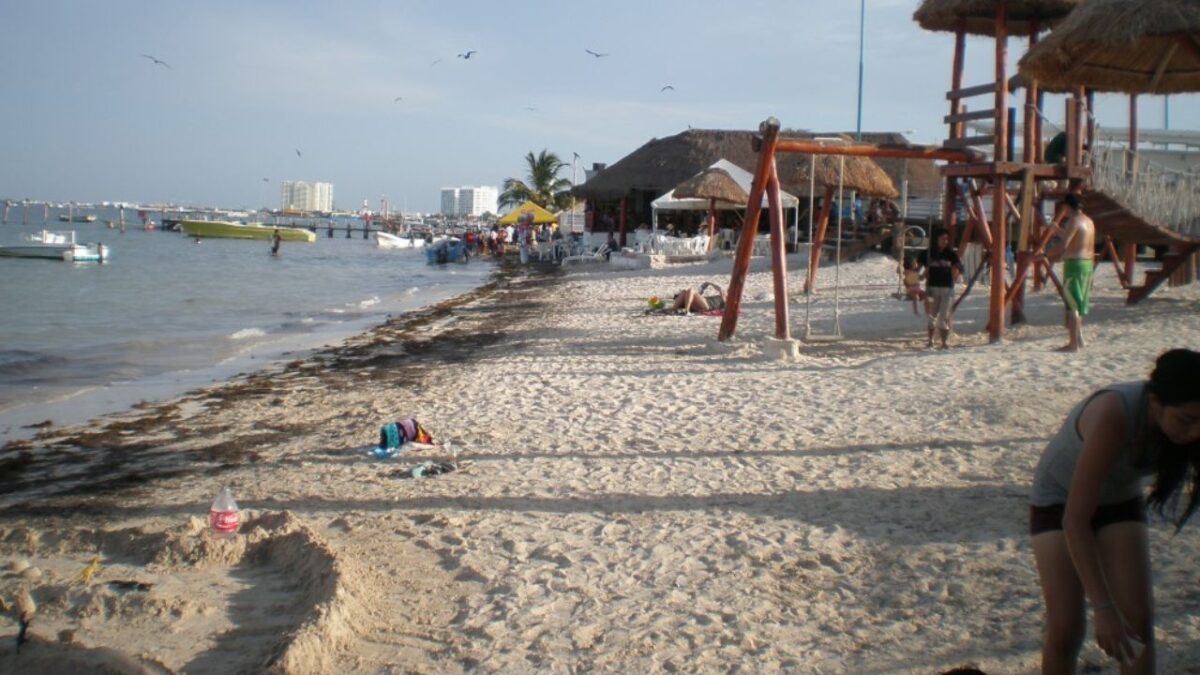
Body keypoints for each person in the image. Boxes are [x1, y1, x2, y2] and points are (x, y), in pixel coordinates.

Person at [1030, 348, 1200, 674]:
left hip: (1120, 498)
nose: (1195, 432)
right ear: (1156, 403)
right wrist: (1104, 607)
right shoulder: (1115, 413)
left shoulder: (1190, 425)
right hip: (1059, 500)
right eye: (1187, 420)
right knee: (1067, 628)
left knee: (1138, 621)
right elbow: (1075, 521)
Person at [1046, 193, 1095, 352]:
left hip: (1075, 265)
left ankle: (1073, 344)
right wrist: (1057, 230)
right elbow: (1076, 237)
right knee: (1079, 303)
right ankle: (1079, 340)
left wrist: (1045, 254)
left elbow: (1064, 245)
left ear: (1067, 206)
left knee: (1072, 303)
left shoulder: (1073, 220)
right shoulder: (1088, 221)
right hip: (1087, 264)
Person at [917, 228, 962, 349]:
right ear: (936, 239)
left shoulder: (951, 254)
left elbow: (960, 268)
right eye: (943, 239)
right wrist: (910, 271)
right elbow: (916, 269)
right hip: (931, 289)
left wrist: (953, 276)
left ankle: (944, 342)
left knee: (944, 316)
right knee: (931, 315)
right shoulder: (926, 254)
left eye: (946, 239)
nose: (945, 241)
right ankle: (930, 341)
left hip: (947, 289)